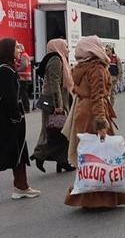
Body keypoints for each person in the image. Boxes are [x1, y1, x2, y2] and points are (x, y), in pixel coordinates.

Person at [63, 36, 125, 208]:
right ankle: (101, 198)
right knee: (102, 156)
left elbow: (79, 90)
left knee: (87, 155)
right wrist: (101, 124)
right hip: (94, 114)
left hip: (82, 112)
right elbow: (98, 97)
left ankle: (86, 194)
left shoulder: (80, 68)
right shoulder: (97, 69)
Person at [0, 38, 41, 200]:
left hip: (9, 119)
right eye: (16, 47)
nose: (19, 50)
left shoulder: (8, 68)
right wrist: (15, 117)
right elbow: (9, 97)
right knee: (12, 151)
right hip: (9, 120)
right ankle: (21, 187)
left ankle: (21, 186)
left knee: (19, 153)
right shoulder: (6, 71)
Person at [30, 39, 75, 174]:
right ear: (58, 47)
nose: (68, 49)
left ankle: (62, 161)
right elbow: (55, 84)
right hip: (53, 102)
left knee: (59, 132)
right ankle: (41, 155)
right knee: (57, 132)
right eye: (66, 46)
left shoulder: (59, 59)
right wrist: (58, 106)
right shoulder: (55, 60)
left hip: (57, 101)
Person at [15, 43, 32, 113]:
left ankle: (26, 108)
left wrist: (16, 70)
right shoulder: (23, 55)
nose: (17, 49)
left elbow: (24, 65)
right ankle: (25, 108)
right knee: (23, 93)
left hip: (23, 78)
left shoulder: (23, 55)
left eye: (18, 48)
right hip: (24, 77)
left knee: (23, 94)